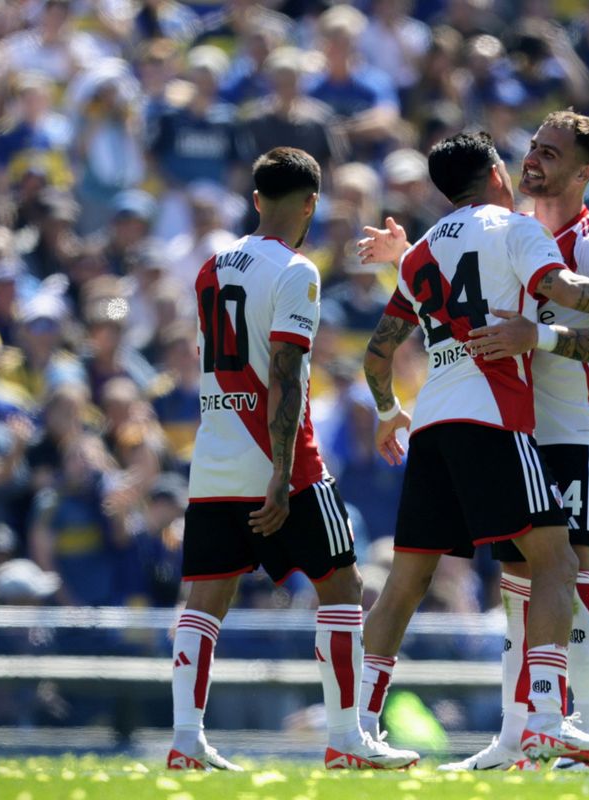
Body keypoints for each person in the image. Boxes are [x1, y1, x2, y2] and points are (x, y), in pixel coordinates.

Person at [356, 131, 589, 766]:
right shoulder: (516, 229)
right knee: (540, 576)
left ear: (583, 173)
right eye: (530, 148)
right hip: (505, 423)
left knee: (526, 578)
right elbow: (565, 292)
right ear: (498, 169)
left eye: (549, 152)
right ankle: (535, 727)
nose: (533, 158)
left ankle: (358, 724)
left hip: (545, 426)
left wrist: (389, 409)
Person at [167, 147, 418, 772]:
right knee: (343, 582)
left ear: (256, 200)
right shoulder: (297, 271)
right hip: (282, 458)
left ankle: (185, 741)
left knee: (205, 598)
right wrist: (281, 476)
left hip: (216, 453)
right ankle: (346, 737)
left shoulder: (210, 268)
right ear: (311, 203)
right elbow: (282, 374)